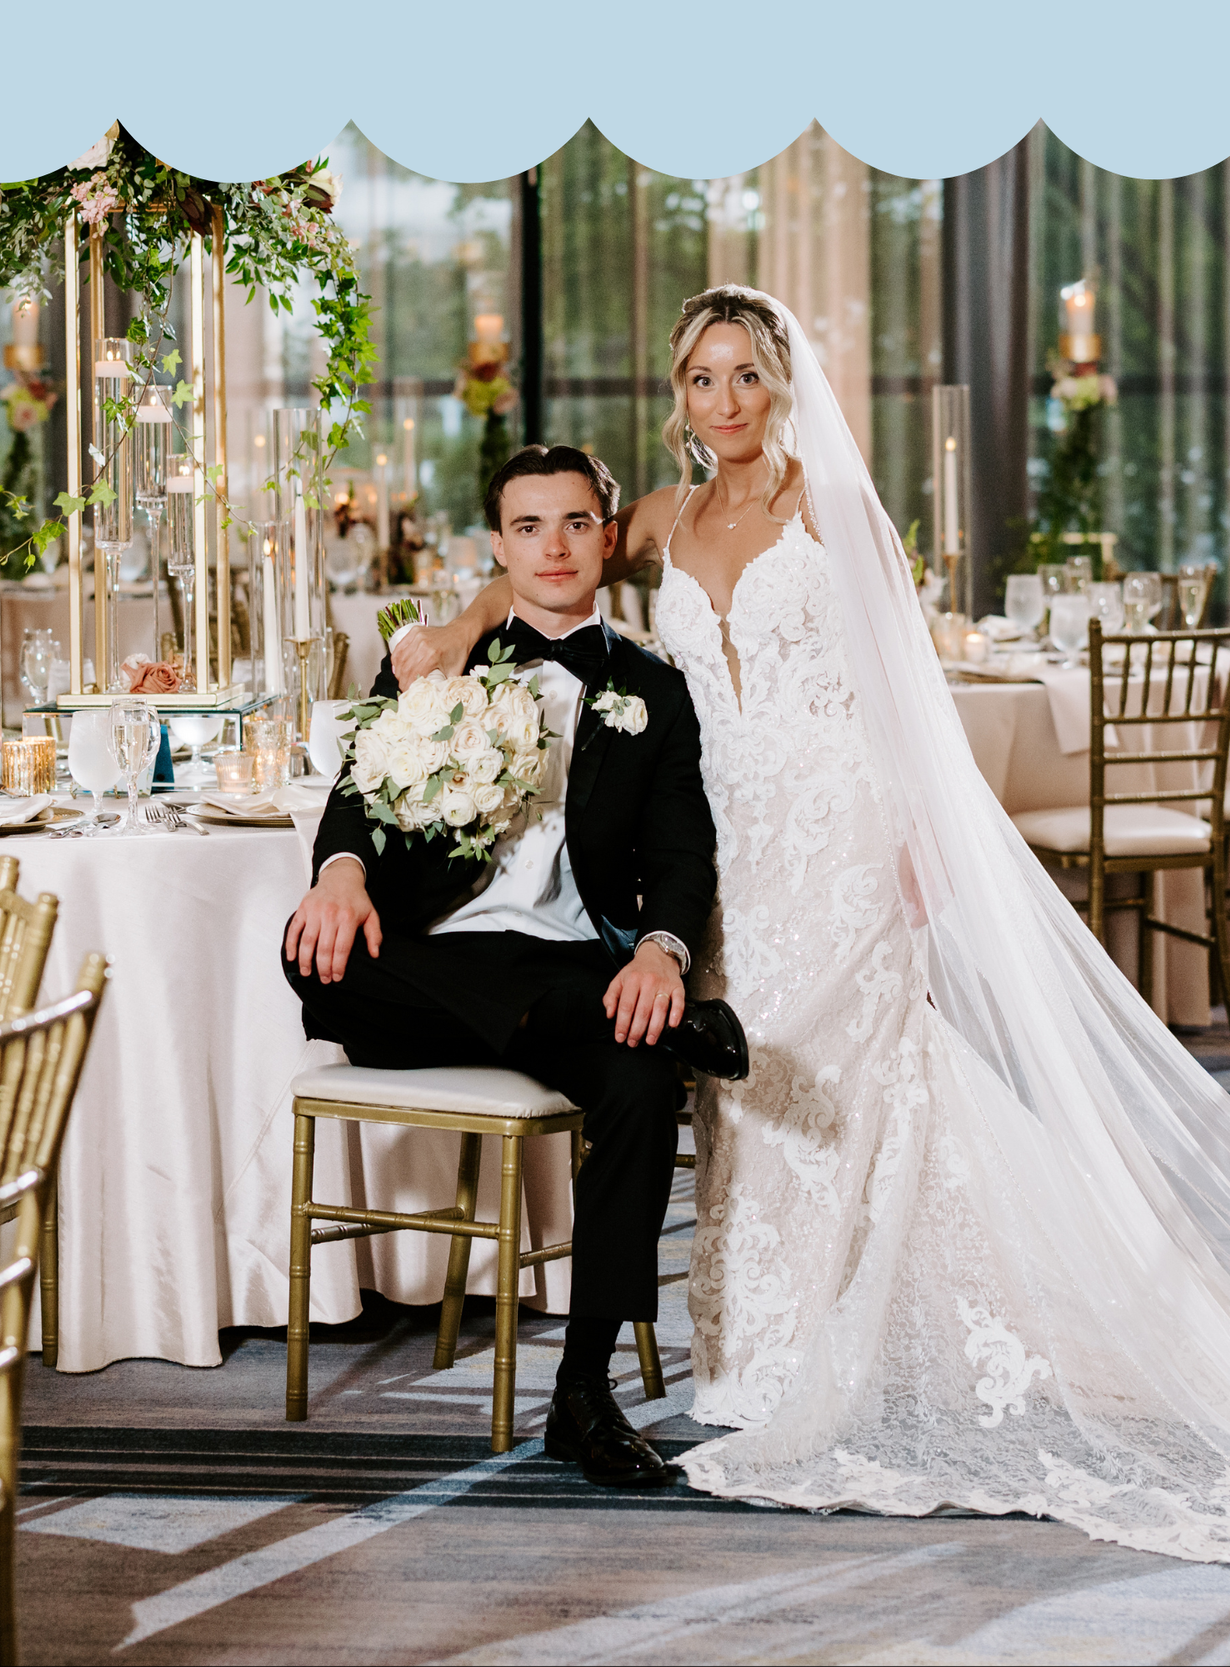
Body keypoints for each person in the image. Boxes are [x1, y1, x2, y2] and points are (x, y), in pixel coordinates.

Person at [391, 287, 1230, 1613]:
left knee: (839, 1076)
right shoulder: (663, 522)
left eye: (744, 373)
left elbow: (899, 679)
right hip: (720, 847)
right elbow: (537, 567)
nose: (723, 400)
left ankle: (819, 1367)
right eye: (699, 379)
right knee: (740, 1097)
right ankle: (753, 1357)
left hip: (840, 831)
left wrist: (916, 829)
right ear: (675, 397)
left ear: (786, 382)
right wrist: (451, 629)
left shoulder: (831, 508)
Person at [284, 443, 747, 1490]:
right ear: (497, 546)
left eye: (576, 523)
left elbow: (682, 852)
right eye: (529, 527)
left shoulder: (652, 691)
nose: (553, 546)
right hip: (422, 965)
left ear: (608, 538)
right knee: (315, 959)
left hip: (566, 957)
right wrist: (344, 871)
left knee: (634, 1077)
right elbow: (355, 794)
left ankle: (582, 1394)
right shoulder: (432, 657)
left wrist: (666, 952)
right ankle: (631, 1020)